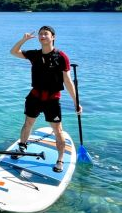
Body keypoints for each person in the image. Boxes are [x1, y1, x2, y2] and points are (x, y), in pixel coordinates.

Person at [10, 25, 82, 172]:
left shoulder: (61, 56)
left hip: (52, 99)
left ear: (53, 37)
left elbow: (68, 81)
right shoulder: (34, 54)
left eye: (46, 34)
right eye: (41, 34)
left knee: (57, 129)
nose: (42, 36)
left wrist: (76, 102)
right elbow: (13, 52)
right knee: (28, 123)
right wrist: (23, 40)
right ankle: (22, 147)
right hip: (35, 96)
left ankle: (60, 159)